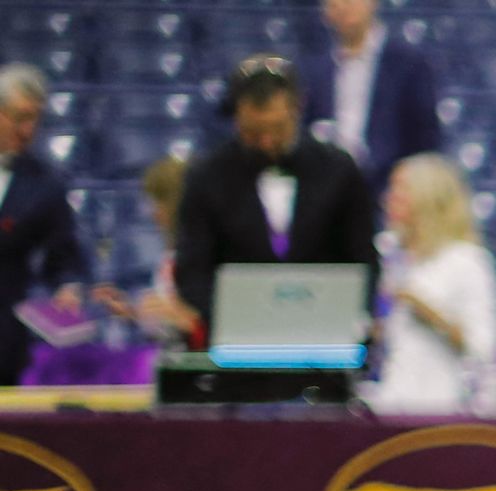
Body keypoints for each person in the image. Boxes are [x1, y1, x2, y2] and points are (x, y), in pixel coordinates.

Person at [174, 58, 381, 343]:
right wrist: (227, 319)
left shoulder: (340, 170)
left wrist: (351, 316)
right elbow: (193, 267)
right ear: (236, 118)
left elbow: (363, 258)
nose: (267, 142)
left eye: (277, 129)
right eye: (253, 132)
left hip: (324, 341)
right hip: (235, 344)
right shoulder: (206, 176)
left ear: (297, 110)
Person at [364, 152, 496, 413]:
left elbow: (484, 347)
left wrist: (428, 312)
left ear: (428, 197)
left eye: (400, 190)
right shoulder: (393, 257)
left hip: (442, 406)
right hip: (391, 403)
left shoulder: (466, 260)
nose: (388, 199)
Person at [297, 0, 441, 193]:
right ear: (325, 11)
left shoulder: (409, 64)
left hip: (389, 193)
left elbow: (426, 140)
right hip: (328, 193)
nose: (345, 5)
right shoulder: (313, 71)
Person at [0, 66, 86, 387]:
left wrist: (67, 286)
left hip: (3, 343)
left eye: (35, 119)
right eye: (20, 118)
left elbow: (62, 254)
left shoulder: (45, 184)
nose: (28, 130)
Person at [95, 157, 197, 347]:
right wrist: (132, 312)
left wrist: (188, 321)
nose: (153, 213)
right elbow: (166, 323)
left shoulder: (206, 257)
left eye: (159, 203)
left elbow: (211, 324)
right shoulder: (170, 256)